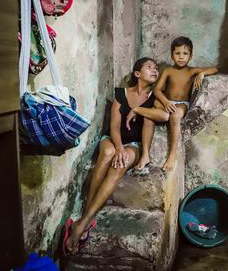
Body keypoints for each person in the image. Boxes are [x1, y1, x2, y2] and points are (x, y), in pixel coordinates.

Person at [63, 57, 159, 255]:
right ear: (137, 73)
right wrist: (118, 147)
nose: (155, 70)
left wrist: (143, 154)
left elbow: (149, 126)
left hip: (134, 145)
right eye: (149, 67)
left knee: (120, 163)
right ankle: (87, 219)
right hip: (113, 139)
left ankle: (82, 223)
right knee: (107, 153)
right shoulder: (120, 94)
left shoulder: (154, 98)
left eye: (156, 68)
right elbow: (114, 125)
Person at [126, 36, 218, 171]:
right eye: (177, 53)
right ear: (172, 55)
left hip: (181, 104)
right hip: (166, 102)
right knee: (148, 117)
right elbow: (157, 90)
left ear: (191, 56)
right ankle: (145, 154)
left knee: (174, 116)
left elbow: (216, 69)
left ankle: (172, 154)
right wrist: (165, 101)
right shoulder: (168, 70)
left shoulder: (191, 71)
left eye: (185, 54)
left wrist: (202, 74)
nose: (181, 57)